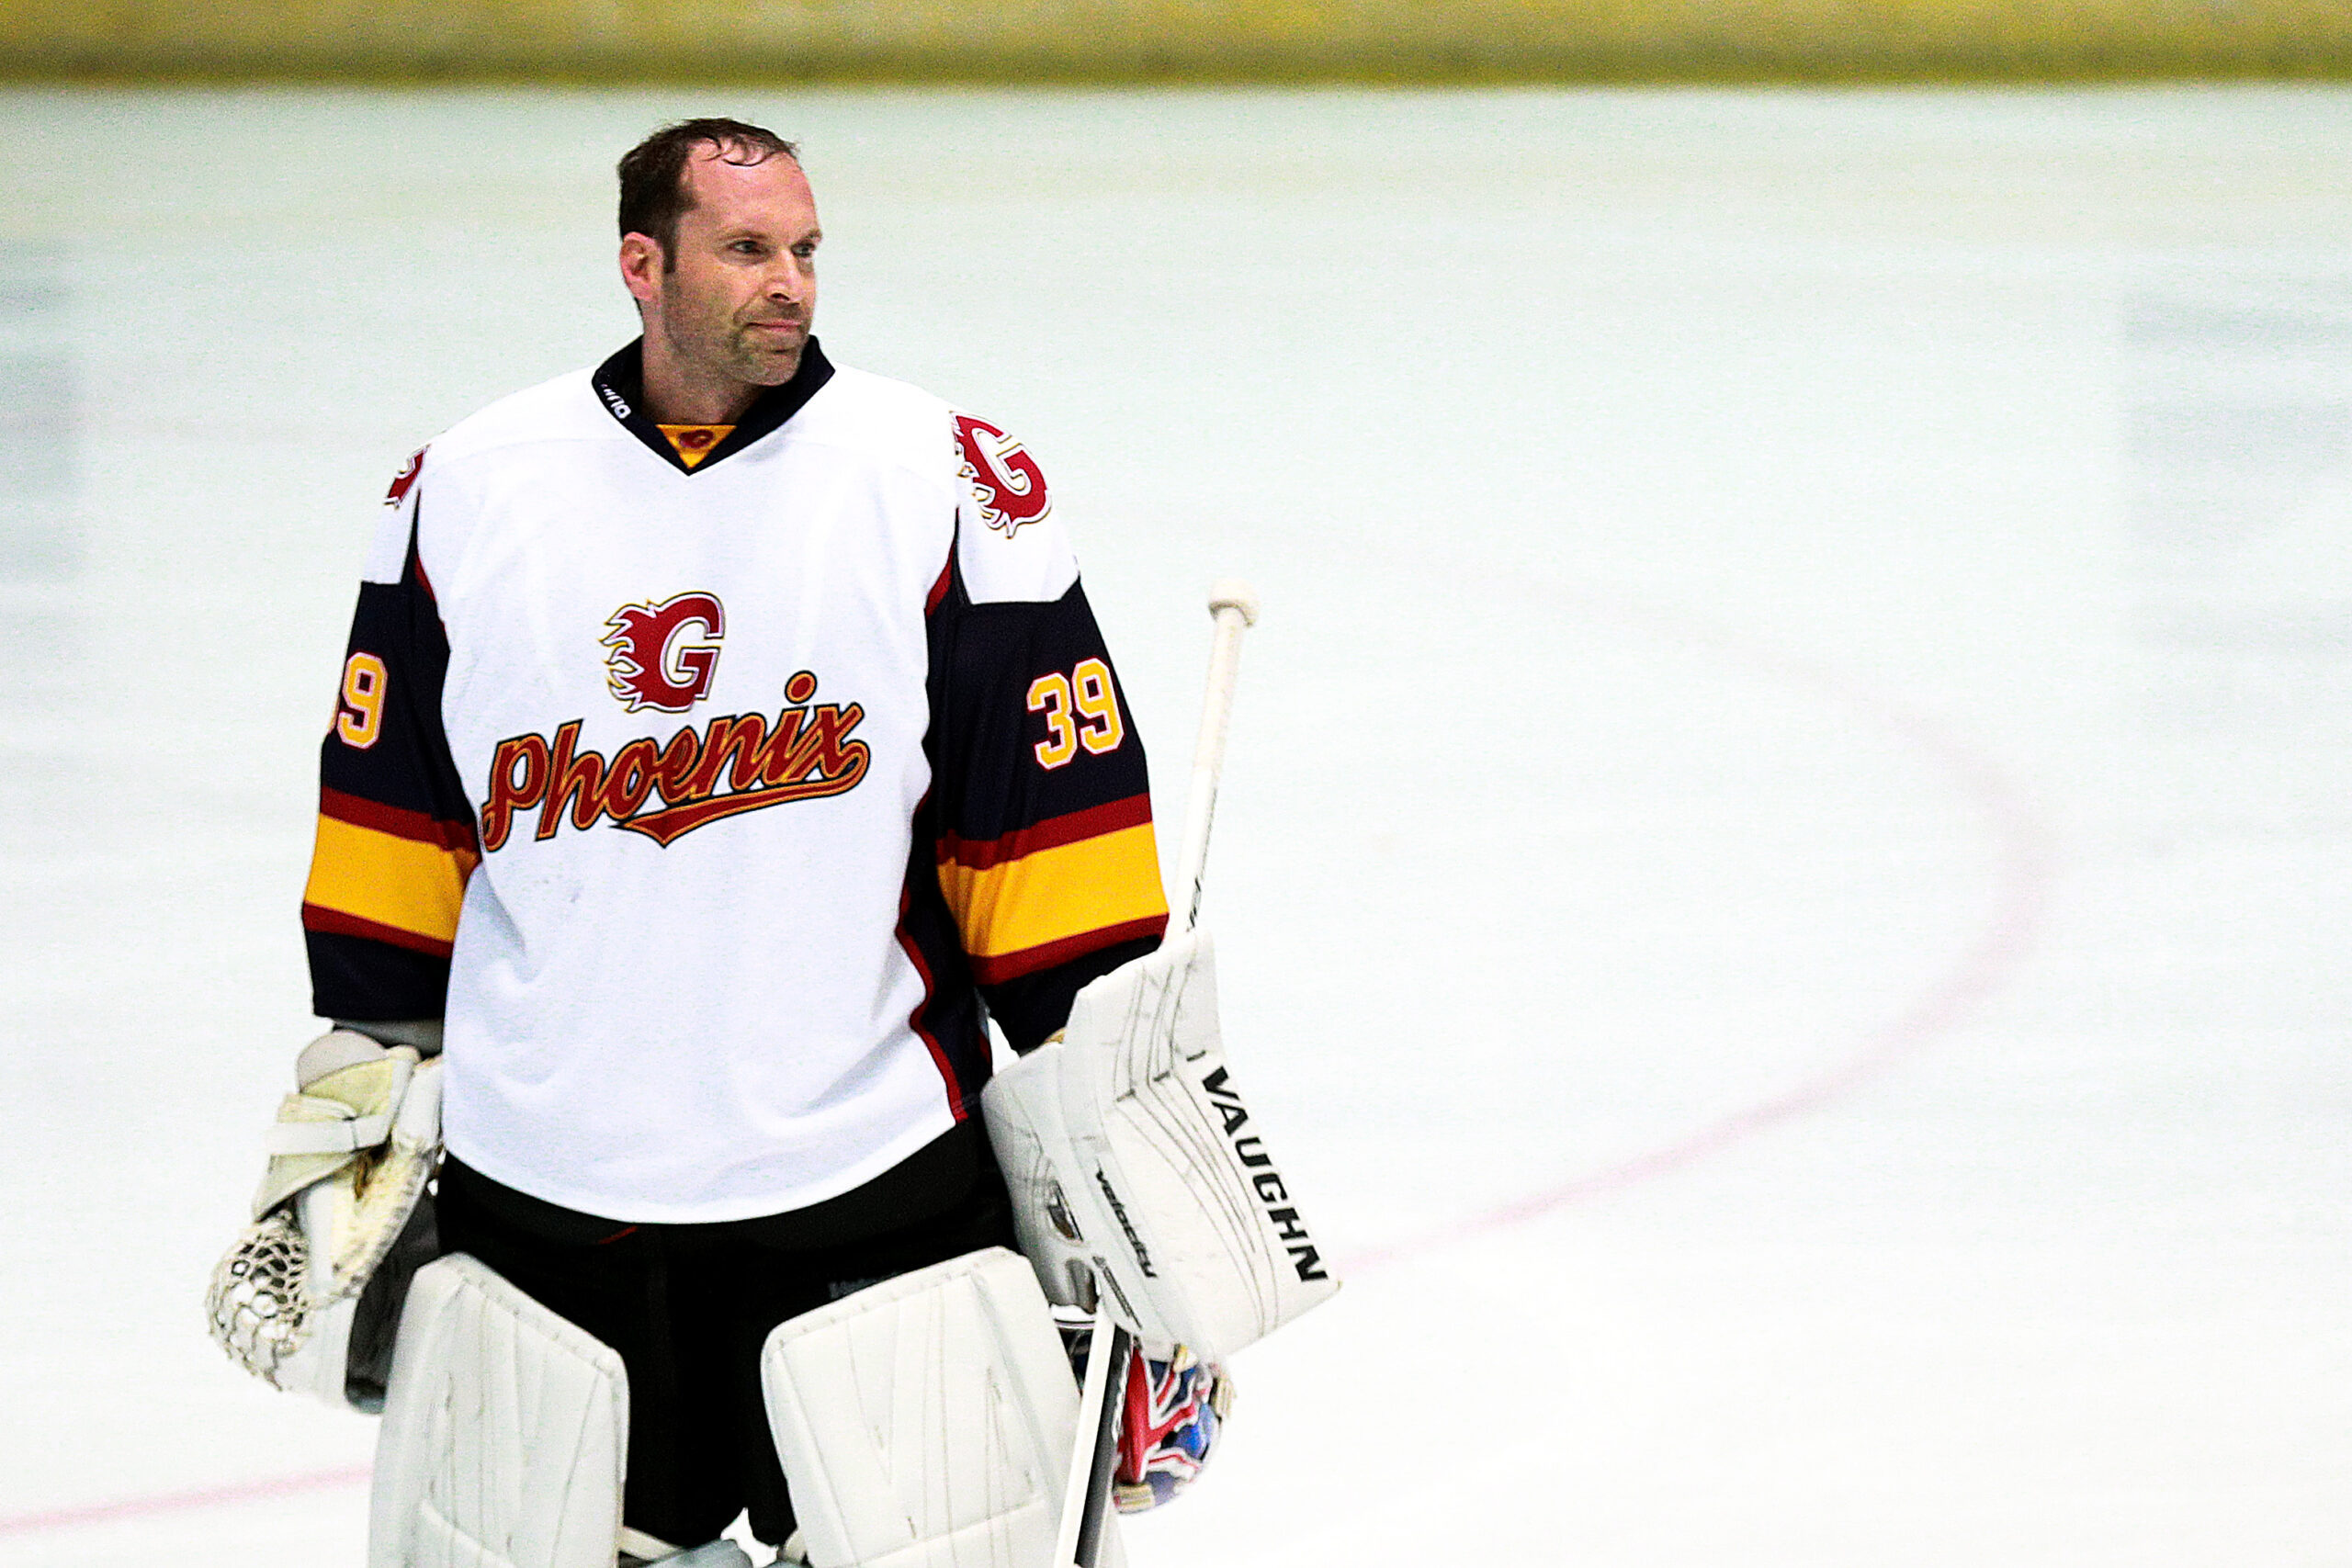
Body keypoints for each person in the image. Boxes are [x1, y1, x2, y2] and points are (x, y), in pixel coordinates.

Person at [293, 117, 1171, 1563]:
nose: (792, 284)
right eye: (749, 251)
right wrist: (369, 1071)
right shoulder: (466, 487)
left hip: (868, 1173)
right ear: (643, 265)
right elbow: (391, 816)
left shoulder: (944, 479)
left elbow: (1050, 837)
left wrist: (1119, 1155)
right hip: (551, 1189)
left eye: (807, 251)